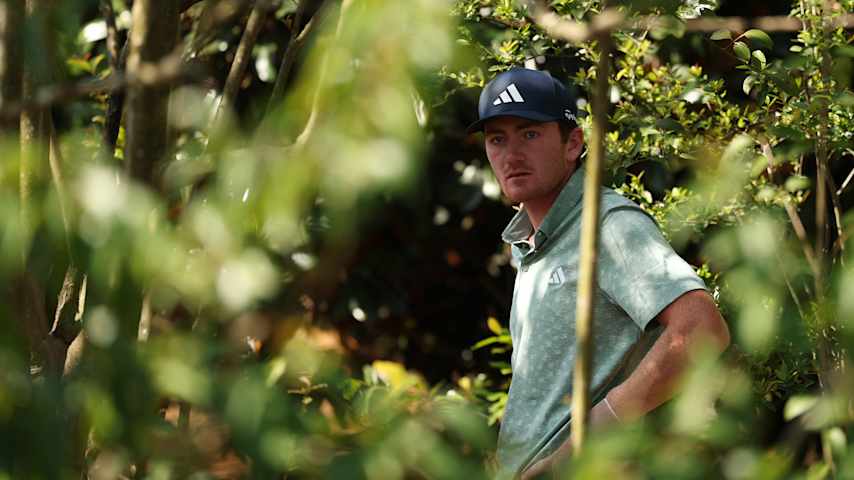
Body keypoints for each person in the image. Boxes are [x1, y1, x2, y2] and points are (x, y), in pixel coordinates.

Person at [467, 68, 731, 479]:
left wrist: (579, 448)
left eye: (530, 133)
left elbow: (701, 332)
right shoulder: (531, 244)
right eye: (497, 138)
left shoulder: (607, 226)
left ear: (573, 143)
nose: (511, 154)